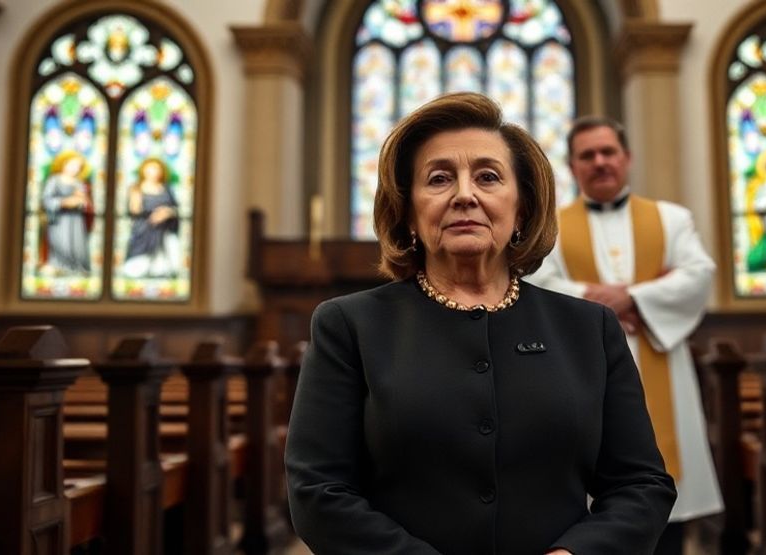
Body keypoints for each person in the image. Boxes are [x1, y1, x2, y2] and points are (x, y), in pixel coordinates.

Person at [286, 93, 676, 555]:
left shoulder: (589, 328)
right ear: (408, 212)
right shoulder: (349, 326)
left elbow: (642, 484)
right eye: (439, 179)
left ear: (523, 210)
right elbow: (317, 491)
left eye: (488, 177)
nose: (465, 194)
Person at [525, 116, 722, 555]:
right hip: (579, 367)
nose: (600, 162)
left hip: (659, 363)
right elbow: (534, 283)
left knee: (662, 507)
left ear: (627, 158)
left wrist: (629, 295)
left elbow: (698, 275)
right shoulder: (547, 227)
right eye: (587, 155)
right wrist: (629, 301)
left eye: (608, 152)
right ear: (572, 166)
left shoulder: (672, 219)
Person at [122, 158, 182, 278]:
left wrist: (167, 212)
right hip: (144, 231)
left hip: (164, 231)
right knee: (138, 266)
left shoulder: (167, 188)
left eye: (157, 168)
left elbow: (175, 208)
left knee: (162, 266)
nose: (153, 172)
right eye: (150, 168)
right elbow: (134, 211)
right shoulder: (136, 188)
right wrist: (135, 197)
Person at [40, 150, 94, 275]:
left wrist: (82, 201)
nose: (74, 168)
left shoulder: (79, 183)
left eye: (78, 166)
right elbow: (46, 200)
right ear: (63, 164)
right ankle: (59, 268)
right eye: (72, 164)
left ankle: (77, 269)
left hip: (76, 221)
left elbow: (87, 204)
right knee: (61, 244)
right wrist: (64, 202)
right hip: (60, 220)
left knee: (77, 246)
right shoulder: (54, 181)